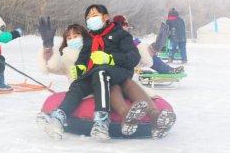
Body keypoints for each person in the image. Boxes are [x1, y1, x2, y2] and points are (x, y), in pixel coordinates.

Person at [37, 18, 176, 138]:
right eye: (70, 37)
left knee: (121, 81)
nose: (74, 39)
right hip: (88, 90)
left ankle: (155, 117)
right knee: (112, 85)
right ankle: (126, 115)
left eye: (77, 35)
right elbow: (52, 66)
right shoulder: (67, 58)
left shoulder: (99, 49)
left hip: (113, 82)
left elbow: (132, 60)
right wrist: (48, 47)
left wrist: (154, 48)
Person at [41, 5, 141, 141]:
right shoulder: (89, 39)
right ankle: (59, 117)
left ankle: (101, 122)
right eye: (88, 17)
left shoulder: (121, 35)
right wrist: (80, 67)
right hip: (94, 73)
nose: (90, 19)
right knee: (79, 83)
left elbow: (134, 57)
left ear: (105, 17)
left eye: (94, 16)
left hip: (118, 73)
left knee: (100, 72)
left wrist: (110, 58)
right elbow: (83, 57)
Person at [112, 15, 183, 74]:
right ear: (120, 25)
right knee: (151, 52)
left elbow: (128, 44)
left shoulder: (119, 33)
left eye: (127, 24)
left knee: (151, 51)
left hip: (132, 56)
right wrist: (136, 45)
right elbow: (123, 47)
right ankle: (168, 69)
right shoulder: (117, 34)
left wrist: (136, 43)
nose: (127, 26)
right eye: (125, 24)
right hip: (128, 60)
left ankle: (167, 68)